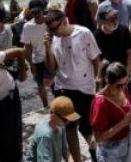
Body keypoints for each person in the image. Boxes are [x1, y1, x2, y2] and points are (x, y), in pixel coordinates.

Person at [45, 9, 102, 162]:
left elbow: (96, 60)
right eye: (49, 29)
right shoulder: (53, 39)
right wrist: (47, 47)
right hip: (63, 90)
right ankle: (77, 160)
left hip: (84, 89)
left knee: (87, 127)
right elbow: (51, 68)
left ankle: (96, 154)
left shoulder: (84, 33)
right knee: (69, 128)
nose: (52, 32)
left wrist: (98, 82)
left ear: (65, 22)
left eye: (55, 28)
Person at [91, 63, 131, 162]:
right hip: (110, 152)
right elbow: (99, 137)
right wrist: (124, 122)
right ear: (109, 82)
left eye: (126, 82)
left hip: (126, 143)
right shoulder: (101, 103)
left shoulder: (123, 90)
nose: (124, 87)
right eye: (119, 85)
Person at [94, 8, 131, 101]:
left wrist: (127, 72)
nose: (115, 21)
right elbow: (95, 60)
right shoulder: (95, 36)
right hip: (106, 78)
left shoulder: (124, 30)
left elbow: (130, 52)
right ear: (103, 21)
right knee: (108, 103)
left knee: (126, 102)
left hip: (123, 75)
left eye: (116, 18)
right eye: (111, 19)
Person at [22, 0, 54, 108]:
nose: (36, 15)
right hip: (37, 60)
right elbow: (27, 47)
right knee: (40, 85)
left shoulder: (50, 23)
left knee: (51, 84)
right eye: (33, 12)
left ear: (43, 10)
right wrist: (30, 64)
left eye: (38, 12)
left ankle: (57, 106)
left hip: (51, 58)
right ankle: (46, 106)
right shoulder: (27, 27)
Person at [28, 96, 79, 162]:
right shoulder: (45, 135)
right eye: (65, 120)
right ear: (53, 116)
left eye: (69, 119)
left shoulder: (60, 125)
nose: (68, 122)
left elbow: (65, 150)